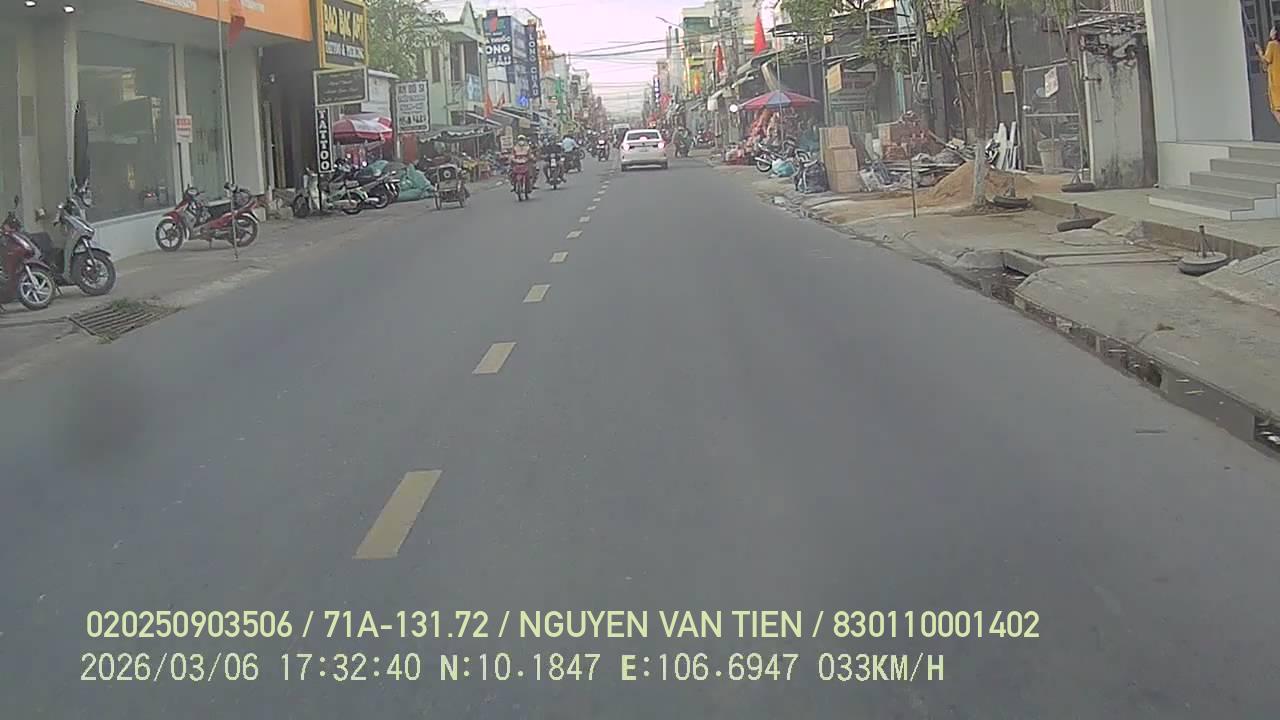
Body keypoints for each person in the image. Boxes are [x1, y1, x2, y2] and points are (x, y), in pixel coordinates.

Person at [1257, 23, 1280, 127]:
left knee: (1275, 109)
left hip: (1276, 83)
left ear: (1275, 32)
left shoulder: (1272, 45)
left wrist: (1259, 51)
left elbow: (1266, 60)